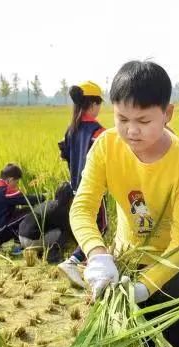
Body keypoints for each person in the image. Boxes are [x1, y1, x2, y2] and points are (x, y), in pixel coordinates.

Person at [70, 61, 179, 347]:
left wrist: (145, 287)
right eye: (122, 118)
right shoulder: (106, 147)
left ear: (167, 114)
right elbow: (82, 208)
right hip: (127, 263)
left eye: (144, 121)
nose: (131, 130)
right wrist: (98, 254)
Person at [56, 81, 107, 287]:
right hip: (94, 188)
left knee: (87, 224)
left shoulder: (71, 130)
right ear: (93, 104)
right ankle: (74, 261)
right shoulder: (99, 133)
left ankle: (86, 264)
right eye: (99, 104)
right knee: (100, 226)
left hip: (77, 186)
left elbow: (65, 155)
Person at [0, 163, 45, 252]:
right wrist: (44, 197)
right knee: (29, 212)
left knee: (16, 214)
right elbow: (26, 199)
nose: (16, 186)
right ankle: (18, 246)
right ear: (10, 180)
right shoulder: (6, 190)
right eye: (16, 182)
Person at [18, 182, 75, 264]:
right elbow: (71, 231)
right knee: (65, 232)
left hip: (21, 238)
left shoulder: (49, 203)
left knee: (51, 228)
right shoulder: (63, 209)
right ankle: (53, 255)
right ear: (70, 197)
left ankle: (40, 253)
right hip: (32, 240)